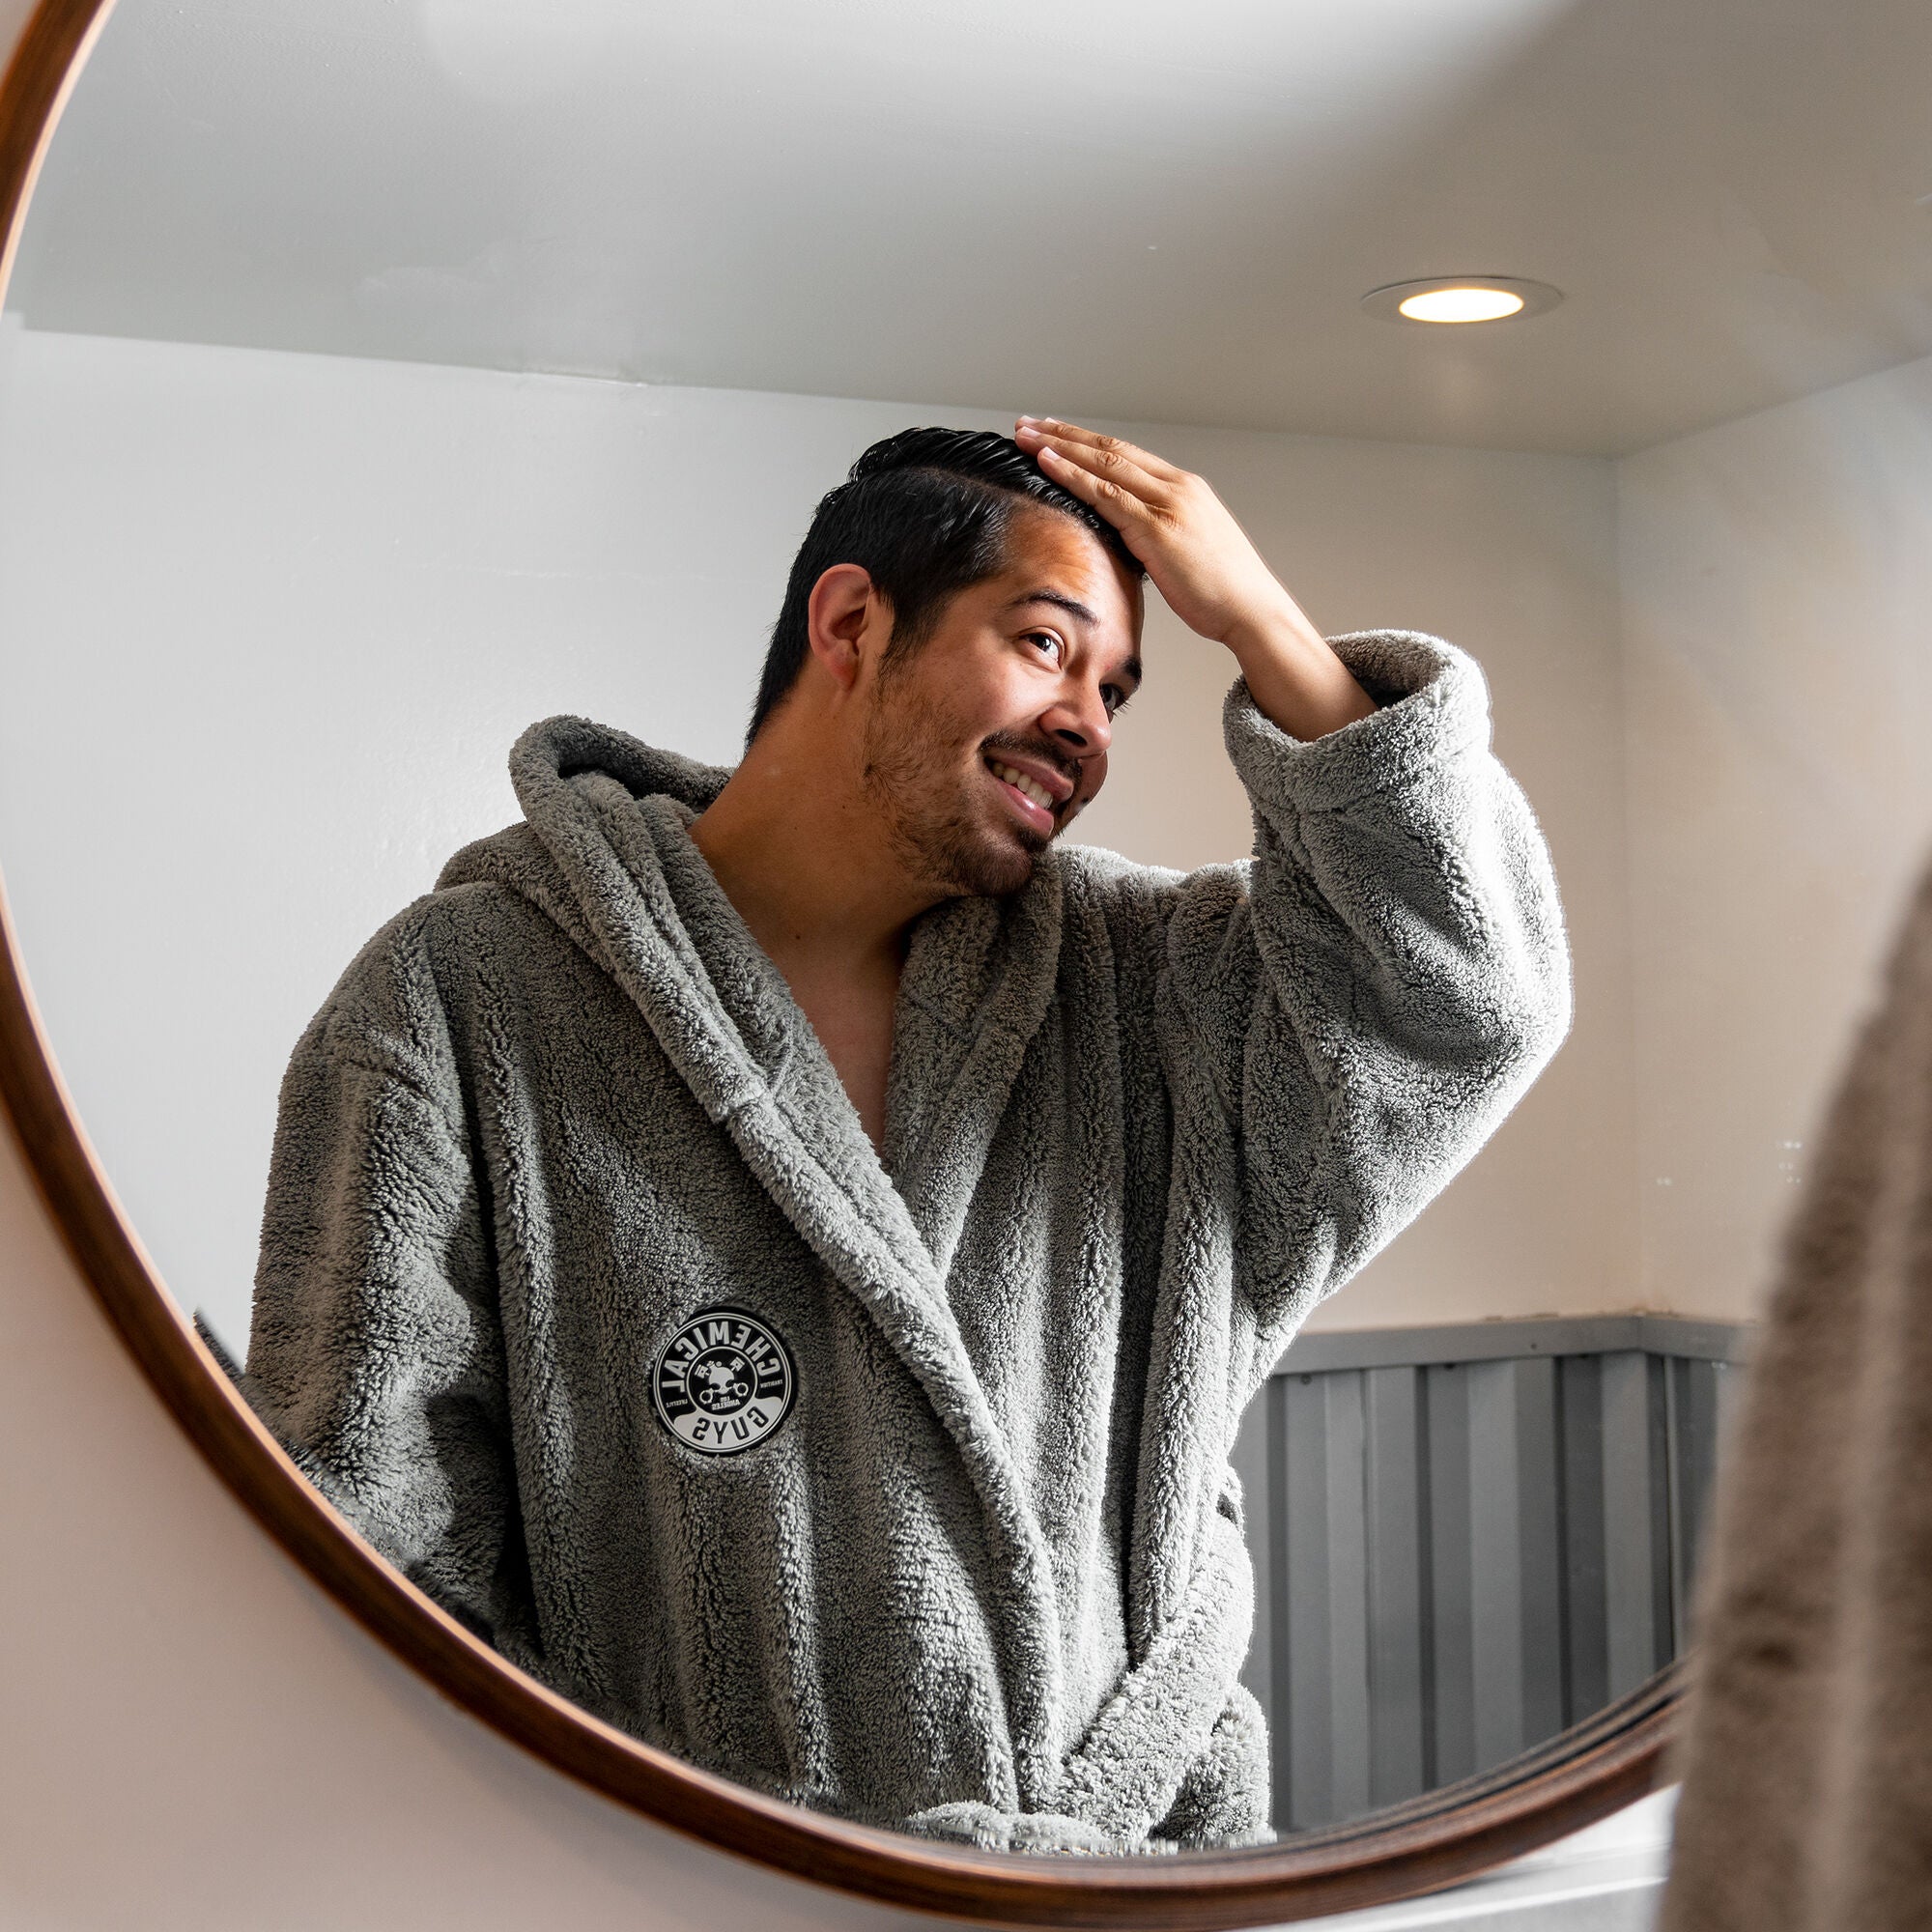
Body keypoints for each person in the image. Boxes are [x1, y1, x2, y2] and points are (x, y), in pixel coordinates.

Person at [244, 420, 1571, 1853]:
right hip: (697, 1888)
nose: (1089, 727)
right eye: (1048, 646)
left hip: (1133, 1879)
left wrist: (1268, 632)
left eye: (1118, 690)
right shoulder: (464, 998)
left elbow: (1464, 1009)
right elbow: (375, 1535)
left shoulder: (1152, 991)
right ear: (853, 624)